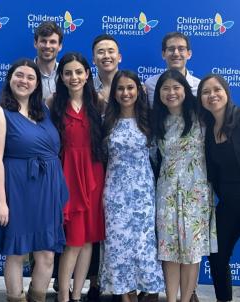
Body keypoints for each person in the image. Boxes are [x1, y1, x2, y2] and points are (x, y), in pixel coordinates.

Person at [0, 59, 68, 302]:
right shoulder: (0, 112)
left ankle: (37, 297)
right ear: (10, 79)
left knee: (47, 254)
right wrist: (1, 201)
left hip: (47, 189)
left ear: (37, 83)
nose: (24, 81)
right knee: (16, 253)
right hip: (18, 189)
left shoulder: (43, 111)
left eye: (30, 77)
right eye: (19, 76)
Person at [99, 70, 164, 302]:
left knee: (142, 245)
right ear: (114, 92)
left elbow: (157, 155)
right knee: (118, 247)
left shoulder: (150, 121)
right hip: (115, 194)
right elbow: (103, 156)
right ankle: (126, 297)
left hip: (144, 195)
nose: (125, 93)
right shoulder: (106, 121)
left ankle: (147, 291)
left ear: (139, 90)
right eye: (120, 88)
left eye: (130, 88)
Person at [152, 69, 217, 302]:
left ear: (185, 90)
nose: (171, 93)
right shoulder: (156, 122)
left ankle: (186, 297)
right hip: (166, 192)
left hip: (196, 193)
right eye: (166, 88)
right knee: (168, 250)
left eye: (176, 87)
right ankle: (170, 298)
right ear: (158, 93)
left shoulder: (201, 117)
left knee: (192, 251)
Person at [48, 52, 105, 302]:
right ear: (61, 76)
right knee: (73, 240)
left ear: (87, 74)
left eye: (79, 72)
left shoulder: (99, 101)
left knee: (89, 240)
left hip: (94, 173)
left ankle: (77, 295)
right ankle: (63, 295)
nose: (74, 77)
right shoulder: (53, 103)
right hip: (67, 173)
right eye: (68, 72)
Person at [197, 74, 240, 302]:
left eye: (217, 90)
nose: (212, 95)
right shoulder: (208, 131)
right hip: (228, 204)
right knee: (216, 255)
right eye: (206, 92)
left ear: (226, 92)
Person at [86, 34, 122, 302]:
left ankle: (127, 286)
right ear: (94, 58)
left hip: (126, 170)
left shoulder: (134, 87)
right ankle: (96, 283)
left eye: (111, 51)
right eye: (100, 52)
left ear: (119, 57)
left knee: (124, 229)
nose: (106, 56)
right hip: (95, 165)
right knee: (95, 226)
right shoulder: (86, 88)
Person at [145, 32, 200, 107]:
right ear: (163, 54)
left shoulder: (199, 86)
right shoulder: (150, 84)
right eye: (171, 49)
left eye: (181, 49)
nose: (176, 53)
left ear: (189, 54)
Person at [34, 21, 63, 100]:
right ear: (35, 43)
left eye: (52, 42)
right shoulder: (25, 75)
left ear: (60, 46)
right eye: (43, 41)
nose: (47, 46)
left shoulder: (66, 74)